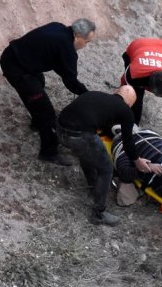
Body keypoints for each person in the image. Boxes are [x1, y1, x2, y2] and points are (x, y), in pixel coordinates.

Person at [0, 19, 95, 166]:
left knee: (39, 85)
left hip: (13, 56)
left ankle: (37, 123)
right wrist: (87, 95)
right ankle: (49, 153)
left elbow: (56, 61)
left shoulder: (58, 27)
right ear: (77, 35)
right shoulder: (67, 48)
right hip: (17, 70)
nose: (85, 46)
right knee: (47, 114)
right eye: (86, 42)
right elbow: (70, 81)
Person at [56, 85, 154, 226]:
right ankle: (99, 214)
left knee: (87, 153)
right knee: (106, 169)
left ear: (115, 92)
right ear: (130, 104)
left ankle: (93, 187)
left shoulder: (96, 95)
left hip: (60, 129)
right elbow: (128, 142)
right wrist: (137, 160)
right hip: (79, 136)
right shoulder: (126, 111)